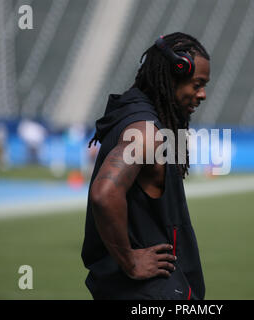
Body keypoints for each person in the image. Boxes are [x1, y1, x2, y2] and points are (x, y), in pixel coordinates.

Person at [81, 32, 210, 300]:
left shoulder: (134, 114)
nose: (203, 94)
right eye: (197, 84)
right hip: (150, 291)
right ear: (173, 75)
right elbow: (104, 193)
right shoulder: (146, 133)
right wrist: (130, 260)